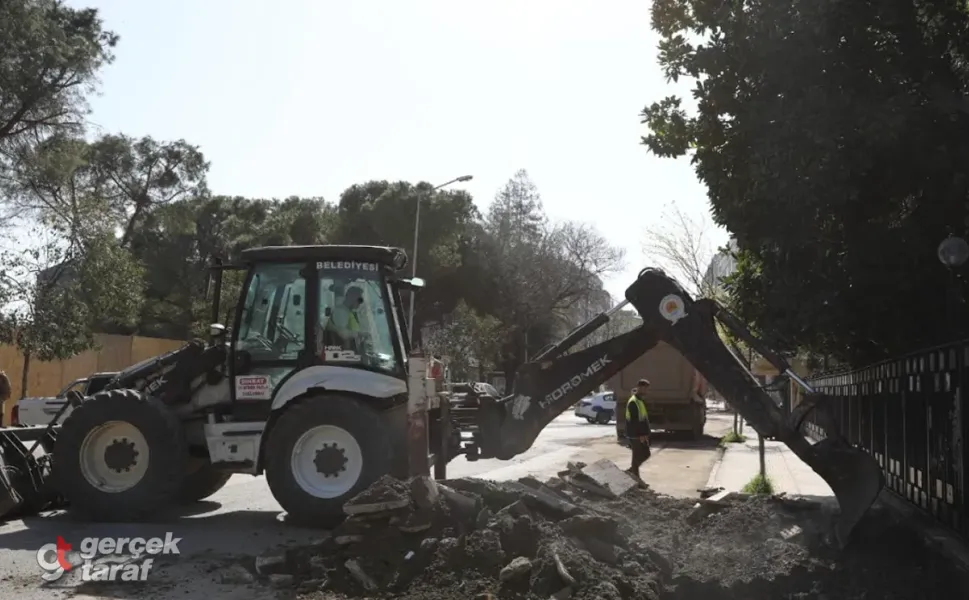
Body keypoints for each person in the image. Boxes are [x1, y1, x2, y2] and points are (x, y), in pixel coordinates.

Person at [321, 284, 364, 352]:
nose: (361, 303)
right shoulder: (341, 311)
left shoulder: (347, 312)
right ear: (351, 297)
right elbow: (342, 334)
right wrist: (361, 334)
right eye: (359, 299)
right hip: (340, 353)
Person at [625, 378, 652, 478]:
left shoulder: (640, 401)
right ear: (639, 388)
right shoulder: (633, 402)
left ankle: (631, 472)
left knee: (646, 454)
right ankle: (636, 479)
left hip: (640, 433)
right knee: (637, 457)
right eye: (645, 388)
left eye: (647, 389)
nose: (646, 391)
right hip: (635, 434)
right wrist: (641, 435)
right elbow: (634, 420)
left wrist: (645, 433)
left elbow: (643, 419)